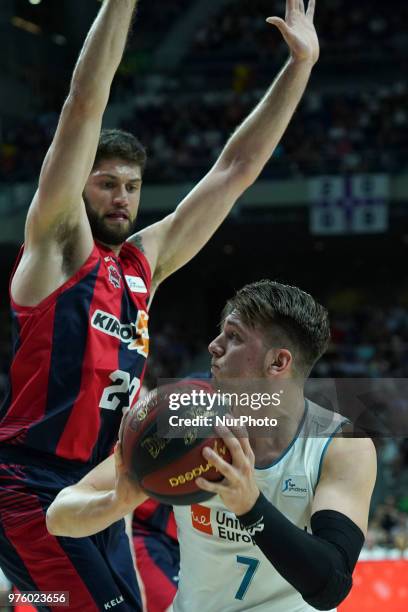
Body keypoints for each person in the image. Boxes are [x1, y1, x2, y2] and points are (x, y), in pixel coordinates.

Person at [0, 0, 320, 609]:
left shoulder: (144, 262)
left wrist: (300, 66)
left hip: (108, 479)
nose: (122, 197)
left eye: (132, 186)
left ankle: (23, 598)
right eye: (107, 183)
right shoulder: (55, 250)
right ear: (78, 185)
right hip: (30, 482)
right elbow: (83, 105)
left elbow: (235, 169)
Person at [47, 280, 377, 612]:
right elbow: (58, 515)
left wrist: (250, 505)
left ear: (278, 363)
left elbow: (331, 585)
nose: (213, 346)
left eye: (233, 337)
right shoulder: (184, 417)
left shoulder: (341, 446)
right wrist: (115, 503)